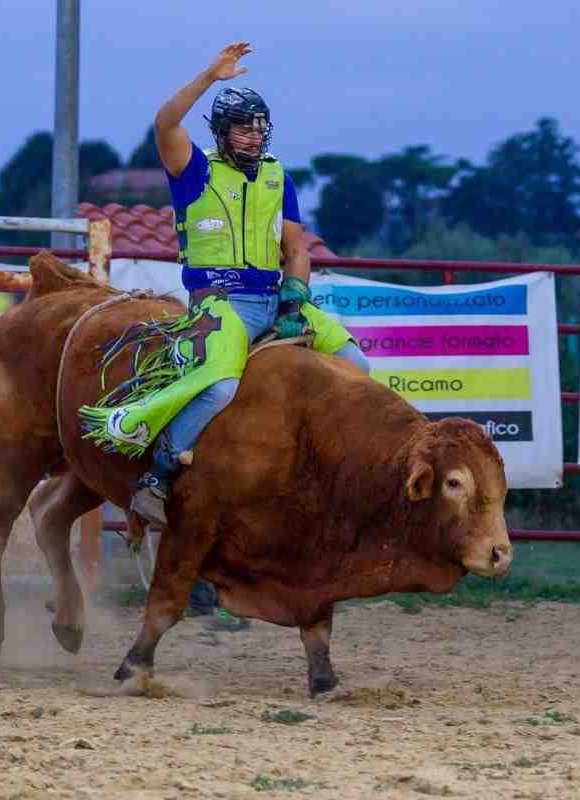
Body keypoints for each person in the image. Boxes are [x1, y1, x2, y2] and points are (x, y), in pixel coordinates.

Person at [128, 41, 371, 528]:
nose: (255, 135)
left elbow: (297, 249)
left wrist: (295, 297)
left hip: (274, 298)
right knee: (219, 388)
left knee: (356, 366)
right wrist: (209, 76)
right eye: (244, 126)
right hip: (217, 303)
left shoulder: (279, 178)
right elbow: (164, 122)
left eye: (260, 126)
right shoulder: (194, 170)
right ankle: (157, 474)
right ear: (221, 132)